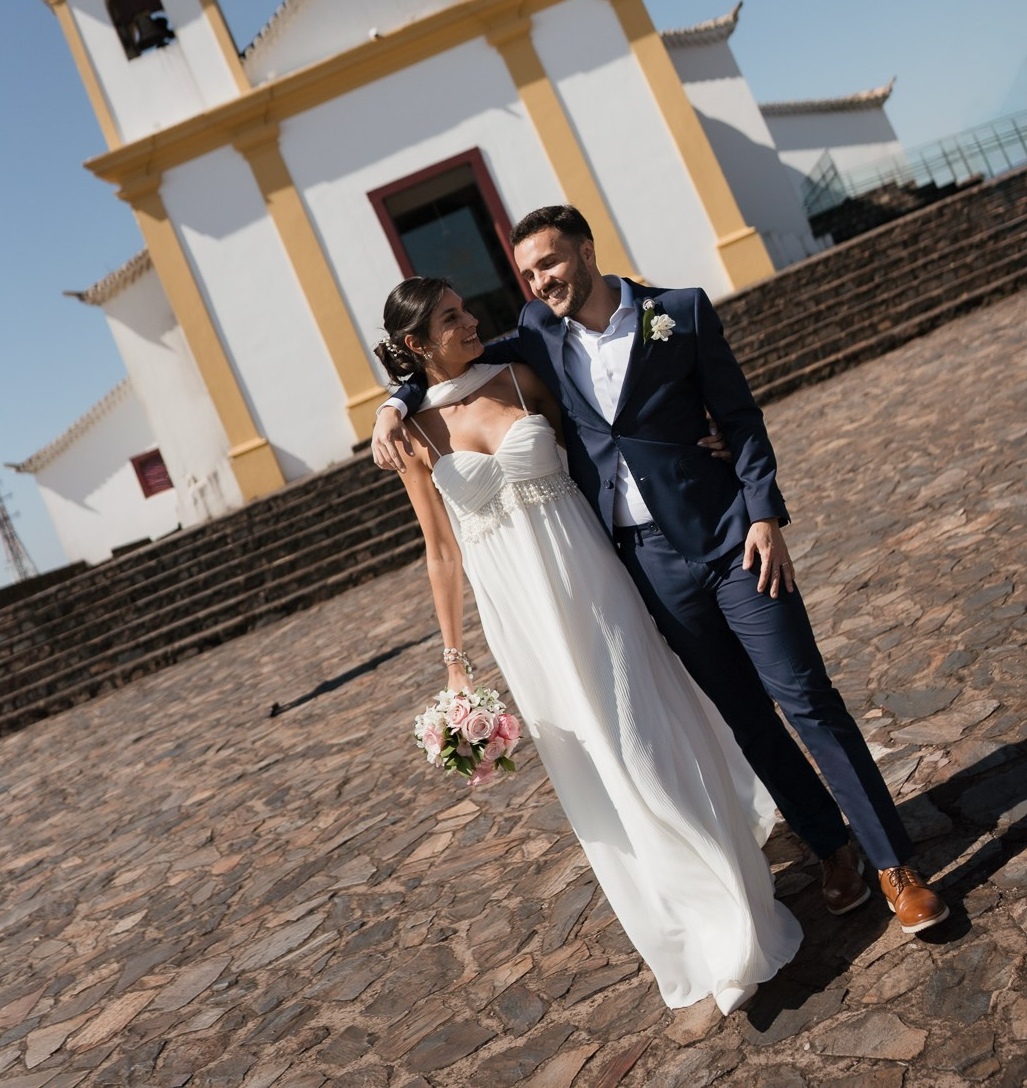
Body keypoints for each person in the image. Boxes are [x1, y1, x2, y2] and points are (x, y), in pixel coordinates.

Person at [373, 206, 948, 936]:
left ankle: (897, 865)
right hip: (644, 566)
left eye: (550, 263)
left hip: (734, 542)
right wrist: (392, 404)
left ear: (585, 250)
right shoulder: (538, 338)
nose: (540, 281)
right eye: (528, 273)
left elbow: (739, 418)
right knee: (748, 720)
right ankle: (832, 846)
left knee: (806, 698)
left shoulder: (679, 313)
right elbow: (446, 369)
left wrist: (763, 513)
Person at [375, 274, 802, 1014]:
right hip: (522, 618)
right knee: (599, 759)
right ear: (417, 344)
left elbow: (604, 450)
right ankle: (687, 915)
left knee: (643, 731)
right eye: (450, 318)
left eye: (464, 307)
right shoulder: (410, 434)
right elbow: (440, 551)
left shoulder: (519, 375)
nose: (472, 319)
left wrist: (694, 446)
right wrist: (454, 663)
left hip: (593, 582)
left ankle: (731, 890)